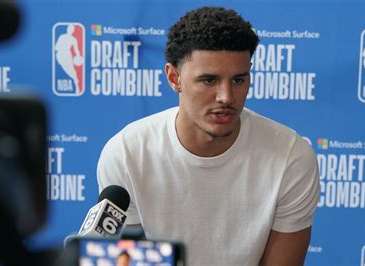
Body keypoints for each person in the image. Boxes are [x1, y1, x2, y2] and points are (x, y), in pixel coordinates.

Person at [98, 6, 319, 265]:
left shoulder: (291, 157)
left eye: (238, 80)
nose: (226, 97)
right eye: (209, 80)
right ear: (174, 77)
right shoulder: (126, 154)